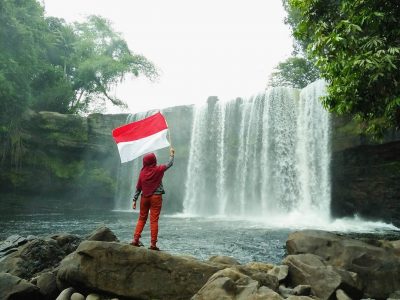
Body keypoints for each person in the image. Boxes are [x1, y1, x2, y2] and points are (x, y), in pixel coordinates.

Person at [131, 147, 175, 250]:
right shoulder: (158, 169)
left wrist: (134, 200)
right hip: (156, 197)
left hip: (144, 198)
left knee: (141, 219)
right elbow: (169, 164)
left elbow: (138, 187)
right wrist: (172, 154)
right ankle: (153, 244)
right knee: (154, 221)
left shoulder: (142, 173)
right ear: (154, 160)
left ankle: (135, 239)